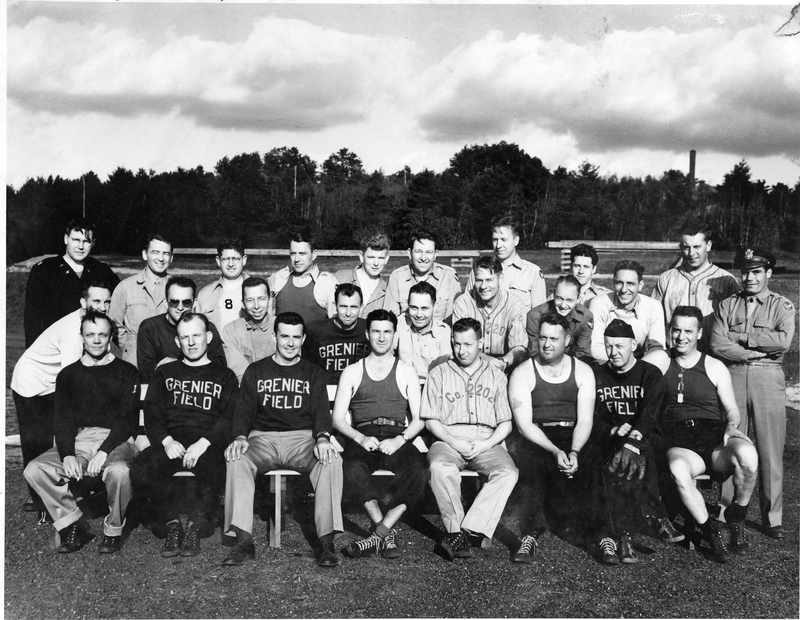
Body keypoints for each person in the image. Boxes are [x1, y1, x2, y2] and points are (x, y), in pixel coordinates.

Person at [221, 312, 343, 568]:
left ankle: (325, 540)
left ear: (303, 339)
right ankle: (243, 540)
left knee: (332, 459)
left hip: (301, 440)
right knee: (236, 456)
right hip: (263, 439)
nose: (290, 343)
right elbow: (243, 410)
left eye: (296, 337)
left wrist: (322, 438)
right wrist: (240, 437)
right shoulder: (256, 370)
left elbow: (322, 412)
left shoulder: (313, 373)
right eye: (284, 336)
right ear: (274, 336)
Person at [23, 310, 140, 554]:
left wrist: (104, 451)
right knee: (35, 468)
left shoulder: (126, 372)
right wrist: (67, 454)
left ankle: (113, 529)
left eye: (102, 335)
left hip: (116, 439)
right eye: (90, 335)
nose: (96, 340)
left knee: (119, 471)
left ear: (110, 338)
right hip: (81, 439)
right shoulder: (68, 375)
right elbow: (63, 419)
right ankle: (72, 524)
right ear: (82, 338)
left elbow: (127, 420)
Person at [651, 306, 758, 562]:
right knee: (677, 468)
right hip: (680, 441)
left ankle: (736, 517)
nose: (681, 337)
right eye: (676, 330)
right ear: (670, 331)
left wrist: (732, 425)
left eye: (688, 331)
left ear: (699, 333)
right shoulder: (661, 360)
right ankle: (711, 530)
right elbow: (629, 370)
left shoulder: (714, 366)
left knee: (748, 455)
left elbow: (732, 409)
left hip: (712, 437)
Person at [130, 313, 238, 558]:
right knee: (141, 467)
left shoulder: (224, 375)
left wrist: (205, 442)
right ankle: (170, 525)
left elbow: (229, 417)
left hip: (207, 443)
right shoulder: (165, 373)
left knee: (215, 466)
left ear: (208, 337)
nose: (191, 342)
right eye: (184, 337)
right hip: (173, 442)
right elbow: (153, 414)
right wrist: (167, 441)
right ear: (177, 342)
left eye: (196, 336)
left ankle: (198, 525)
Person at [710, 248, 794, 540]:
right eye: (745, 271)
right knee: (733, 442)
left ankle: (772, 517)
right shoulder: (727, 305)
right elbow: (718, 343)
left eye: (757, 271)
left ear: (768, 273)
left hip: (768, 379)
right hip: (733, 374)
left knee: (770, 449)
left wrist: (744, 337)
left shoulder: (781, 305)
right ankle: (725, 510)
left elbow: (783, 341)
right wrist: (754, 351)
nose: (750, 277)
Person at [333, 309, 429, 559]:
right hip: (364, 436)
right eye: (376, 331)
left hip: (396, 436)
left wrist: (400, 440)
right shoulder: (353, 371)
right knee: (351, 469)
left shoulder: (406, 370)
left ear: (395, 335)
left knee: (419, 470)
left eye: (387, 332)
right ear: (367, 334)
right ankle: (384, 531)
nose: (382, 337)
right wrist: (359, 438)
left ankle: (380, 533)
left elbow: (419, 419)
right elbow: (337, 418)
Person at [11, 282, 114, 517]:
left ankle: (72, 489)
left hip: (51, 381)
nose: (103, 307)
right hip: (31, 382)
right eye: (96, 301)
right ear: (83, 303)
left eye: (107, 301)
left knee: (62, 436)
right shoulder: (73, 332)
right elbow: (72, 379)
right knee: (37, 441)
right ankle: (41, 502)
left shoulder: (94, 323)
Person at [421, 318, 519, 561]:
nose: (462, 350)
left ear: (481, 343)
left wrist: (486, 444)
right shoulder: (439, 373)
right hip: (448, 439)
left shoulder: (496, 375)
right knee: (439, 467)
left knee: (508, 472)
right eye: (456, 344)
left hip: (487, 440)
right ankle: (456, 531)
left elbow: (506, 422)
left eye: (468, 344)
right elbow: (431, 420)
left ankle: (464, 532)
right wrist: (455, 443)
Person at [588, 319, 680, 566]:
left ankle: (626, 535)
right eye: (608, 347)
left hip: (646, 439)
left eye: (619, 346)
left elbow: (649, 415)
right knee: (616, 460)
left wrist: (631, 441)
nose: (613, 352)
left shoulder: (649, 374)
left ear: (634, 345)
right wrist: (614, 430)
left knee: (628, 457)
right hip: (612, 439)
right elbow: (591, 418)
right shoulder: (596, 375)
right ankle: (652, 519)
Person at [506, 312, 595, 564]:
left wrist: (575, 451)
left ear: (566, 340)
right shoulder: (523, 372)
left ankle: (603, 535)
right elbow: (524, 425)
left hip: (572, 432)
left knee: (597, 459)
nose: (546, 344)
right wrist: (556, 451)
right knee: (530, 461)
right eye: (543, 337)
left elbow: (585, 419)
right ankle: (530, 534)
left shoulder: (584, 371)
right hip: (537, 435)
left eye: (554, 339)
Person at [24, 218, 119, 347]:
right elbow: (32, 317)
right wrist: (33, 351)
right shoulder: (44, 270)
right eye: (76, 240)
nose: (80, 246)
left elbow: (119, 304)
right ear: (66, 239)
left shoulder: (102, 270)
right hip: (56, 345)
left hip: (92, 347)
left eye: (86, 241)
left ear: (93, 243)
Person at [651, 223, 740, 340]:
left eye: (697, 247)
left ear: (708, 245)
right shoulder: (666, 278)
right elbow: (654, 320)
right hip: (674, 352)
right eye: (686, 247)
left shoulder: (727, 280)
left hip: (712, 354)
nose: (691, 253)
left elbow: (736, 324)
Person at [136, 276, 226, 384]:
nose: (180, 307)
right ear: (165, 302)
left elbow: (220, 365)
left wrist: (178, 365)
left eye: (186, 302)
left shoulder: (206, 326)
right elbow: (146, 370)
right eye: (174, 302)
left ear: (194, 303)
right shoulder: (149, 327)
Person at [453, 255, 527, 372]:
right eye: (479, 280)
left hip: (505, 368)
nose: (483, 286)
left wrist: (503, 362)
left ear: (500, 279)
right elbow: (459, 345)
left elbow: (519, 347)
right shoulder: (463, 303)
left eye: (489, 280)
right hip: (470, 367)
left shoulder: (514, 304)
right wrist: (486, 359)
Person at [108, 234, 173, 365]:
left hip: (169, 358)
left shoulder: (177, 287)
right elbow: (113, 323)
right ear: (145, 254)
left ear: (171, 258)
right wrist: (130, 345)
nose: (161, 258)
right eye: (155, 252)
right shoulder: (126, 286)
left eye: (165, 253)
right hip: (135, 360)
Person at [589, 260, 667, 364]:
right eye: (619, 283)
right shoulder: (599, 304)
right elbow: (595, 349)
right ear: (613, 283)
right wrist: (627, 364)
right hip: (608, 364)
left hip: (641, 366)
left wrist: (634, 368)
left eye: (630, 284)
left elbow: (657, 348)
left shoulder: (653, 306)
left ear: (640, 285)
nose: (624, 289)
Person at [464, 217, 546, 314]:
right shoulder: (479, 270)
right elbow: (466, 306)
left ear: (516, 241)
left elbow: (539, 315)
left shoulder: (533, 272)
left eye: (503, 239)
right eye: (495, 240)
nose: (498, 245)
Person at [383, 230, 462, 324]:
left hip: (440, 337)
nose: (423, 258)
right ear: (409, 253)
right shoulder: (397, 277)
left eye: (429, 252)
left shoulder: (449, 276)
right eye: (418, 251)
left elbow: (453, 321)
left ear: (435, 254)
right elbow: (391, 320)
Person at [303, 283, 370, 383]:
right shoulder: (316, 330)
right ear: (335, 306)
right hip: (326, 391)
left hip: (359, 392)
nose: (348, 313)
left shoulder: (369, 329)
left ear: (361, 307)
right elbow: (306, 368)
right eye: (343, 306)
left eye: (353, 307)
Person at [268, 232, 337, 325]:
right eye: (293, 254)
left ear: (314, 254)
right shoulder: (278, 278)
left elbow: (336, 322)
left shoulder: (327, 283)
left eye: (302, 253)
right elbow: (268, 317)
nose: (297, 259)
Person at [393, 281, 451, 382]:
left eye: (424, 308)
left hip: (430, 387)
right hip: (401, 386)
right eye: (414, 308)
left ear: (435, 306)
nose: (419, 315)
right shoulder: (399, 324)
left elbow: (443, 373)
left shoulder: (443, 332)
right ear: (408, 305)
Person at [221, 277, 276, 384]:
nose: (256, 306)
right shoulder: (231, 331)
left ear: (269, 300)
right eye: (250, 300)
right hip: (247, 391)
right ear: (242, 304)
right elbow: (239, 371)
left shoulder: (282, 327)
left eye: (261, 299)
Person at [526, 275, 593, 362]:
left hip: (571, 364)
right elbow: (534, 353)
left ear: (578, 298)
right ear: (554, 295)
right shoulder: (535, 316)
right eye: (559, 298)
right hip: (543, 363)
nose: (563, 305)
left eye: (569, 300)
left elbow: (582, 354)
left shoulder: (585, 317)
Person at [195, 239, 249, 331]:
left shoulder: (257, 289)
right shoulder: (206, 294)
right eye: (225, 259)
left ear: (244, 260)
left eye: (235, 259)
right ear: (218, 261)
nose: (231, 264)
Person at [335, 232, 391, 318]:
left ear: (386, 259)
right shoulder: (339, 278)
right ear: (361, 257)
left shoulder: (387, 290)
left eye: (380, 258)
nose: (376, 263)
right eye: (371, 257)